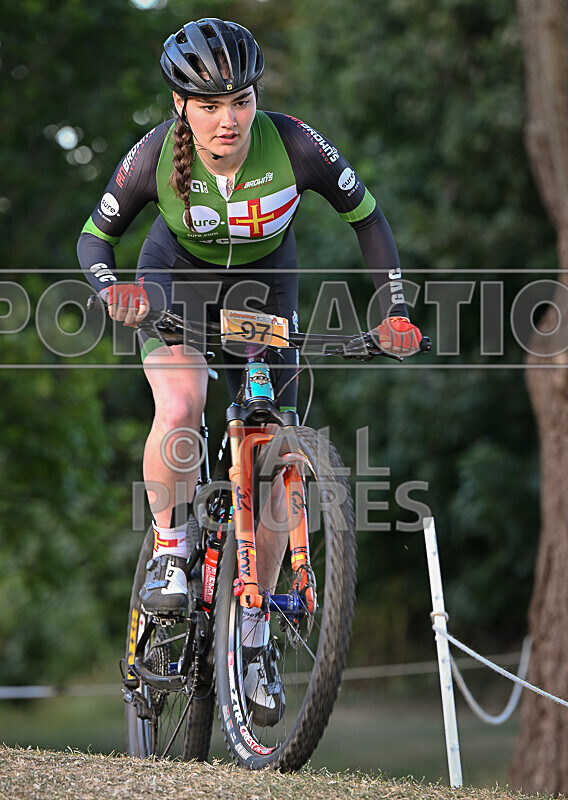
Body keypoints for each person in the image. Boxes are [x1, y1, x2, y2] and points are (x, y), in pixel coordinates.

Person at [78, 17, 421, 721]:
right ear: (181, 105)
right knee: (180, 405)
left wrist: (393, 309)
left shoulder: (295, 144)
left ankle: (255, 633)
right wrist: (114, 291)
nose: (228, 120)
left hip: (265, 295)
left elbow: (368, 218)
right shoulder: (153, 155)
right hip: (175, 286)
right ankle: (171, 549)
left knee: (275, 462)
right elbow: (94, 237)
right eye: (209, 105)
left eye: (240, 100)